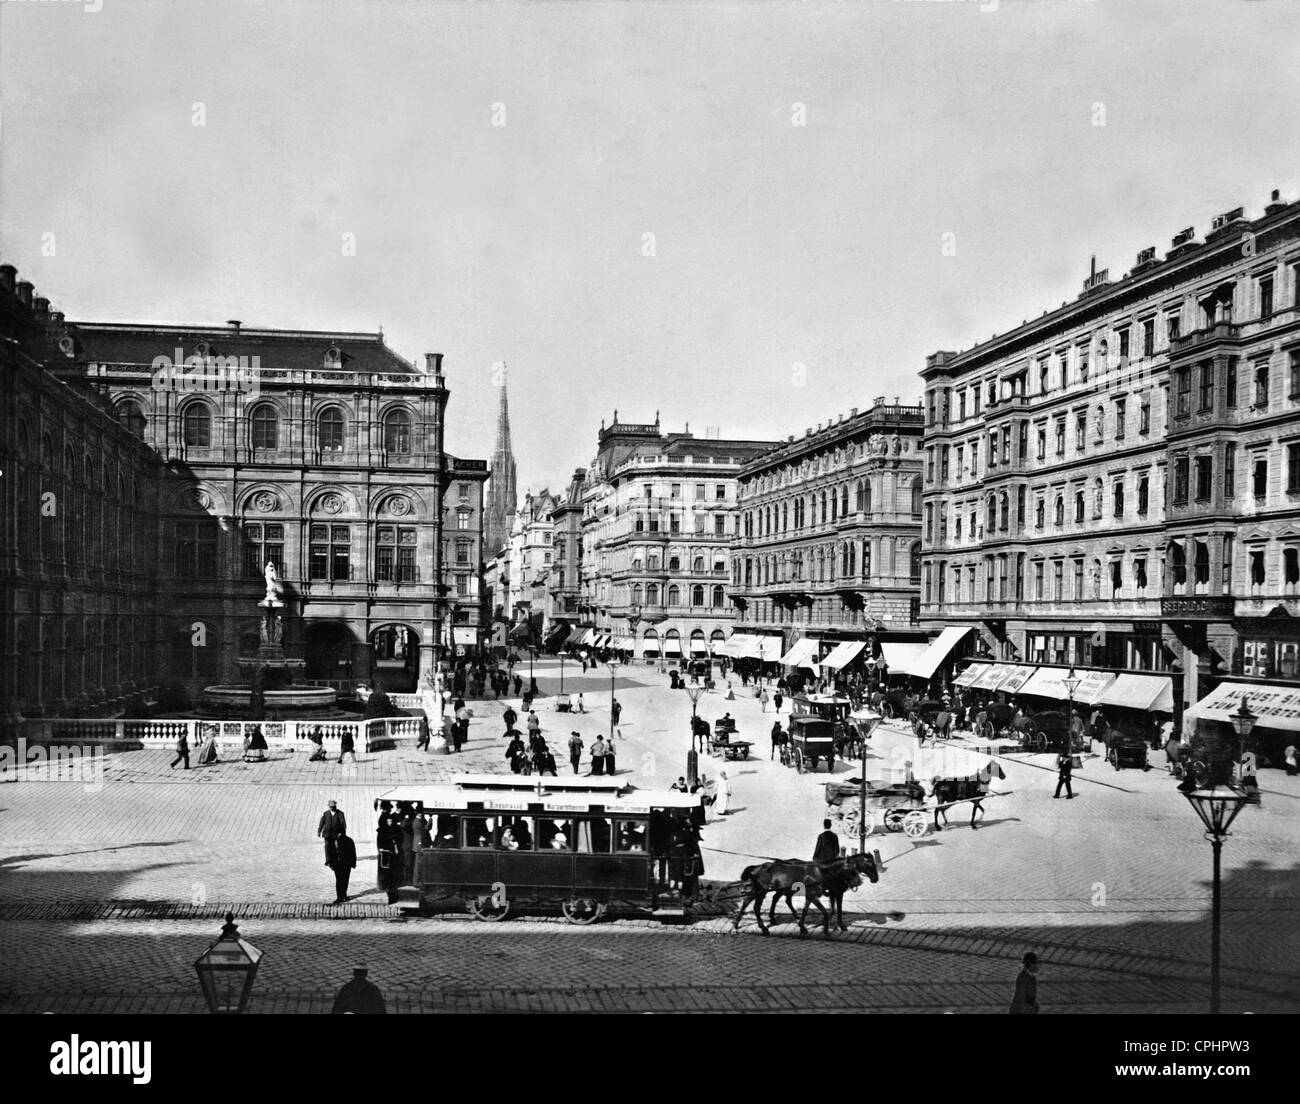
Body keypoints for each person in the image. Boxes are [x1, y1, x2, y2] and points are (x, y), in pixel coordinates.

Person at [318, 800, 347, 868]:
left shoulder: (340, 813)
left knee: (336, 847)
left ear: (335, 806)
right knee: (327, 846)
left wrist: (343, 833)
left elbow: (343, 824)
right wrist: (319, 831)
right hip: (327, 833)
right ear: (329, 807)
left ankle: (336, 860)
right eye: (331, 807)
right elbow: (322, 822)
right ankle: (328, 860)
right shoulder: (326, 813)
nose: (332, 808)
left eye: (333, 806)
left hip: (336, 834)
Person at [330, 831, 356, 904]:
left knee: (345, 880)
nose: (339, 834)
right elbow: (331, 853)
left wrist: (353, 863)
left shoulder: (349, 840)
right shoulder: (333, 841)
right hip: (337, 864)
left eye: (340, 833)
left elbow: (353, 852)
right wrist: (331, 864)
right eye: (338, 833)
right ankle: (340, 897)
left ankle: (343, 895)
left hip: (346, 864)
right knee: (339, 880)